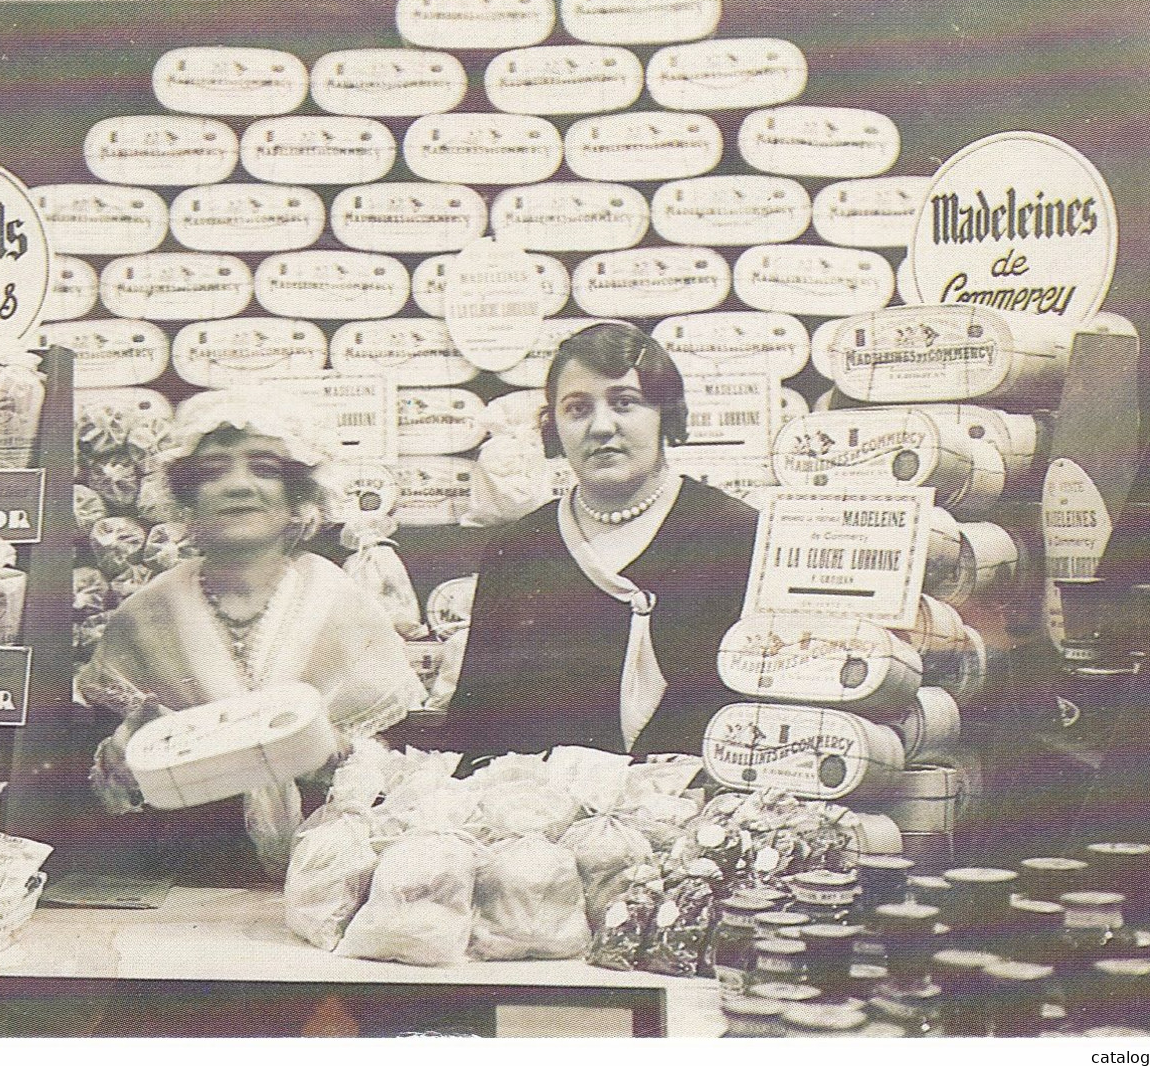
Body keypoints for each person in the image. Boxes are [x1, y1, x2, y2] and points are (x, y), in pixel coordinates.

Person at [77, 392, 422, 880]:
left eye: (263, 468)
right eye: (214, 471)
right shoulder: (144, 617)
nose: (238, 486)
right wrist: (125, 757)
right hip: (183, 881)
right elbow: (109, 799)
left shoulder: (345, 606)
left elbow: (393, 764)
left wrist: (344, 756)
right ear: (186, 499)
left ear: (297, 496)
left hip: (332, 872)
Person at [442, 319, 761, 764]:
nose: (601, 427)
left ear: (665, 414)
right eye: (577, 409)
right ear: (553, 426)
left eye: (625, 403)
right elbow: (475, 729)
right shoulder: (516, 550)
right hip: (538, 819)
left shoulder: (734, 535)